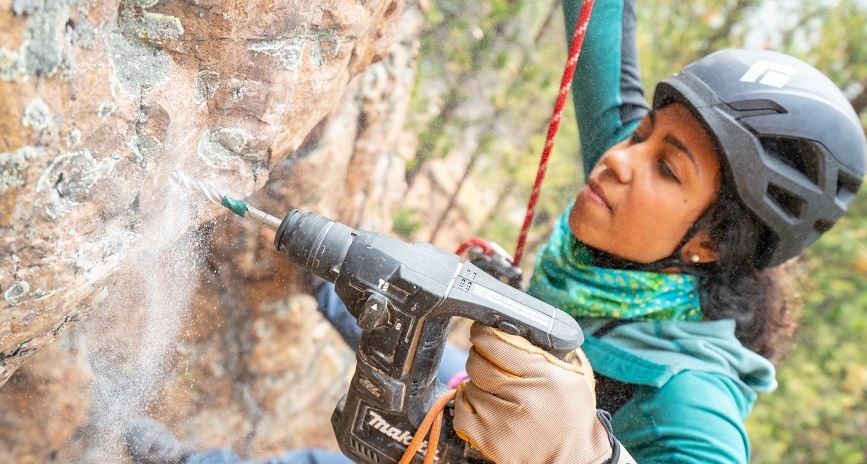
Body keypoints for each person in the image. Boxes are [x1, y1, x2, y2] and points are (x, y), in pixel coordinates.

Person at [125, 0, 866, 462]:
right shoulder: (635, 211)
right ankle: (320, 287)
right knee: (377, 301)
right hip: (473, 406)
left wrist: (584, 455)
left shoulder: (687, 401)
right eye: (642, 132)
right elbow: (598, 21)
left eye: (667, 167)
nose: (616, 159)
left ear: (709, 244)